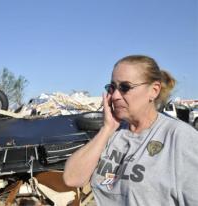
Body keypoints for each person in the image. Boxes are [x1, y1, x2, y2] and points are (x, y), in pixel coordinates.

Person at [63, 55, 198, 205]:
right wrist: (107, 128)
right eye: (112, 88)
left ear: (153, 91)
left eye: (125, 87)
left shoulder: (180, 138)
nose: (114, 96)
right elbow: (72, 179)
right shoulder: (113, 133)